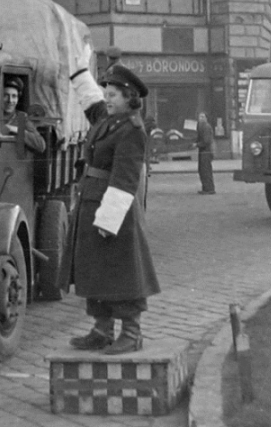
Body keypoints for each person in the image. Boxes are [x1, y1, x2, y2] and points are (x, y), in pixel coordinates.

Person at [62, 56, 160, 355]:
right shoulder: (108, 118)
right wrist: (78, 72)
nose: (107, 98)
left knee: (122, 273)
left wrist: (108, 219)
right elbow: (91, 102)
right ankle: (101, 330)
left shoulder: (132, 129)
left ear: (129, 97)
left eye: (113, 95)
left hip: (113, 211)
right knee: (95, 270)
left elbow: (125, 179)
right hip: (92, 203)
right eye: (106, 93)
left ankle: (132, 333)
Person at [1, 76, 46, 154]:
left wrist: (14, 129)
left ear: (18, 99)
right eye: (5, 95)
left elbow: (41, 145)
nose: (10, 100)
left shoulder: (22, 118)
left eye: (14, 96)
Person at [195, 112, 216, 195]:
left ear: (206, 118)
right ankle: (205, 188)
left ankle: (209, 189)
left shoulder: (206, 127)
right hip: (202, 151)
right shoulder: (200, 126)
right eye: (200, 116)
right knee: (202, 170)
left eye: (203, 117)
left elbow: (206, 141)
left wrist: (197, 144)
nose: (201, 118)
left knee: (206, 170)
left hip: (206, 151)